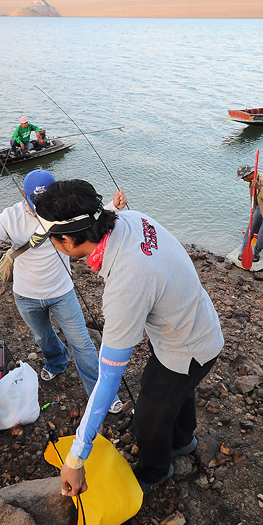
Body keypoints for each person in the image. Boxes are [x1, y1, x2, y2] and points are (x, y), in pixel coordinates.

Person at [30, 180, 224, 496]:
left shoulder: (126, 285)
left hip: (187, 347)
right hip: (197, 323)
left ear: (68, 239)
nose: (51, 244)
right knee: (174, 390)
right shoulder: (128, 220)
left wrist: (76, 459)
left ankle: (156, 470)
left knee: (148, 410)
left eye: (52, 239)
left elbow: (108, 380)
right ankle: (183, 439)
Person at [0, 169, 124, 413]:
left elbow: (94, 217)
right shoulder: (10, 216)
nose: (38, 208)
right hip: (26, 296)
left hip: (63, 292)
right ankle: (57, 361)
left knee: (82, 343)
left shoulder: (65, 209)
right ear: (23, 194)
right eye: (33, 202)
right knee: (43, 337)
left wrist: (114, 205)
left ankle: (102, 394)